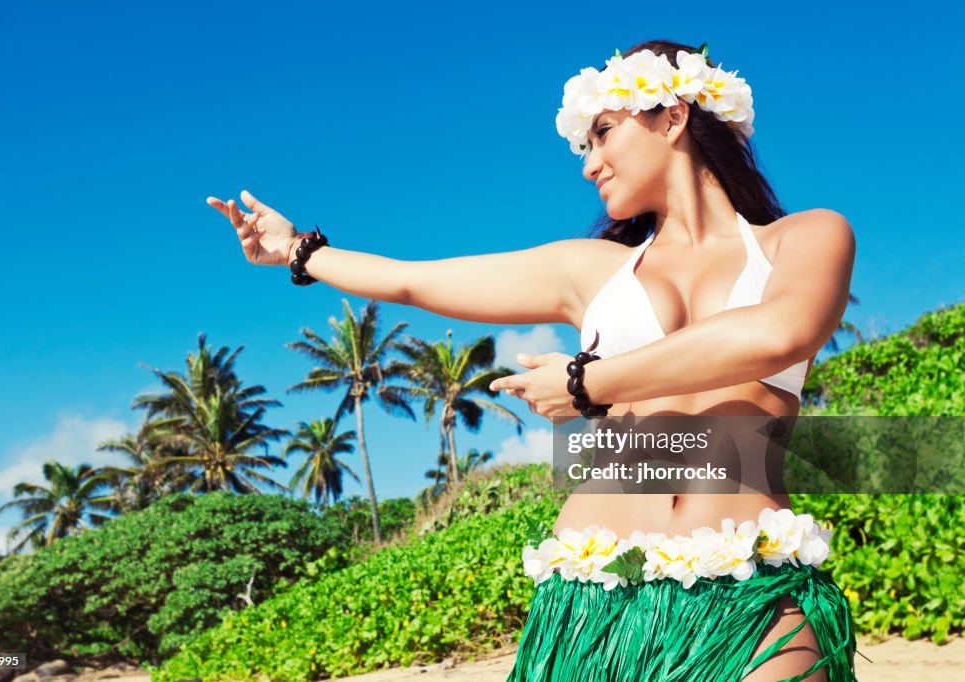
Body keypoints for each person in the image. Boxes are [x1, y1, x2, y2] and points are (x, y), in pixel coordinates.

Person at [208, 39, 858, 682]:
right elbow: (416, 280)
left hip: (753, 600)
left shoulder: (805, 237)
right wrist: (297, 251)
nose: (589, 164)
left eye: (603, 133)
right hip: (594, 604)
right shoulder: (589, 270)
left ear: (674, 115)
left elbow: (778, 333)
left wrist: (586, 382)